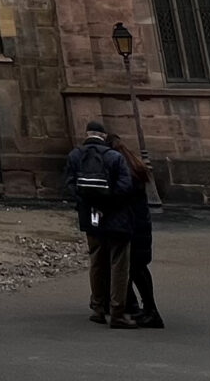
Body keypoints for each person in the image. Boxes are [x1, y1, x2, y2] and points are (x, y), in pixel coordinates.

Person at [63, 119, 139, 327]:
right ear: (103, 136)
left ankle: (97, 308)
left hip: (90, 217)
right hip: (116, 218)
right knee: (119, 263)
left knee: (96, 260)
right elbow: (125, 186)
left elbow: (70, 185)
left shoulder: (75, 155)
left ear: (86, 134)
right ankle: (117, 312)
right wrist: (109, 204)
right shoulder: (114, 157)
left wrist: (89, 203)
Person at [112, 134, 163, 327]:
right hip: (140, 225)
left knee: (135, 269)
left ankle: (151, 311)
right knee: (138, 269)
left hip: (132, 226)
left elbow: (122, 197)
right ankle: (147, 309)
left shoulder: (124, 170)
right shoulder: (134, 166)